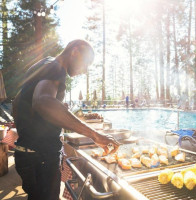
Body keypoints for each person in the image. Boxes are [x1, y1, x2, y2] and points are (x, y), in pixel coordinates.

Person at [12, 39, 120, 200]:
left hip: (26, 155)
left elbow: (17, 103)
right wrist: (95, 135)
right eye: (86, 63)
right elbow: (43, 101)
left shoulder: (45, 64)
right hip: (42, 159)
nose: (85, 70)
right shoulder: (56, 67)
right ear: (75, 51)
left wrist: (47, 118)